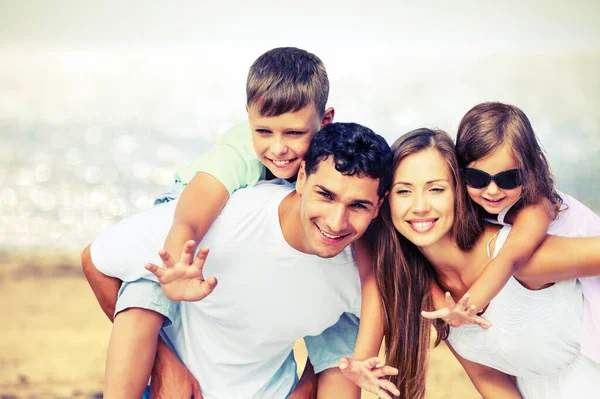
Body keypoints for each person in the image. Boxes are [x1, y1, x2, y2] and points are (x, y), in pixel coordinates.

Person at [81, 48, 387, 397]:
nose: (278, 148)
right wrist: (177, 267)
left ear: (326, 120)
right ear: (248, 120)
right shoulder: (239, 151)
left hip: (288, 239)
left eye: (293, 133)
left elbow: (369, 270)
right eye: (264, 131)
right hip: (186, 214)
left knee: (340, 312)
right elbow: (190, 218)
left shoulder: (334, 169)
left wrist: (361, 356)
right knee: (145, 292)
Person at [377, 127, 600, 397]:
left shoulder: (519, 256)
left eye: (436, 189)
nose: (420, 206)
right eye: (404, 191)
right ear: (386, 200)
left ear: (459, 191)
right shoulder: (430, 292)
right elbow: (487, 375)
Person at [423, 102, 599, 362]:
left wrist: (469, 305)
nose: (493, 190)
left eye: (508, 178)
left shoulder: (538, 205)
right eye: (478, 178)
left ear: (530, 170)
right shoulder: (478, 207)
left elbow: (510, 258)